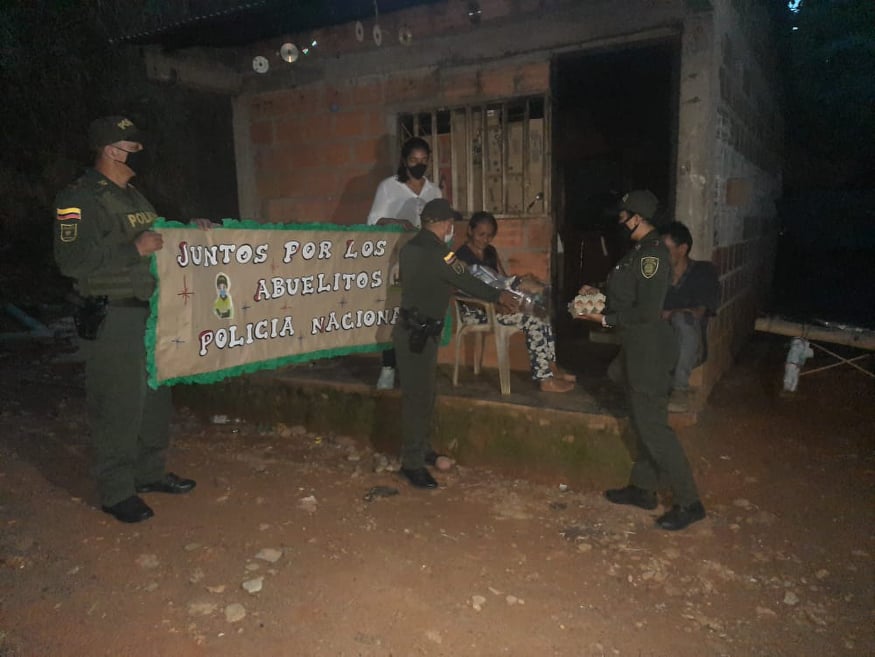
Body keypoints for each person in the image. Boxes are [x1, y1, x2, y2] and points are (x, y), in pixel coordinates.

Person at [54, 116, 197, 524]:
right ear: (110, 150)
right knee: (118, 402)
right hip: (113, 312)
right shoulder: (78, 198)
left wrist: (192, 233)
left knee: (154, 397)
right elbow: (70, 260)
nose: (138, 154)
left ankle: (149, 473)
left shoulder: (134, 197)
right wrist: (132, 249)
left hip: (149, 309)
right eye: (132, 148)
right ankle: (117, 491)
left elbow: (159, 238)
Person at [575, 190, 705, 531]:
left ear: (637, 218)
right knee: (643, 418)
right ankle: (643, 488)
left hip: (649, 349)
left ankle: (689, 502)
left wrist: (603, 319)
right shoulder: (638, 252)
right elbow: (624, 294)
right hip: (636, 347)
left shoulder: (653, 255)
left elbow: (647, 311)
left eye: (623, 215)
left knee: (654, 428)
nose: (619, 220)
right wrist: (596, 293)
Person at [394, 199, 517, 489]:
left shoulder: (411, 247)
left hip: (415, 331)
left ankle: (422, 449)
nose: (452, 227)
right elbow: (466, 280)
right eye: (450, 222)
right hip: (419, 334)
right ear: (443, 223)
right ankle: (411, 464)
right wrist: (497, 296)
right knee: (418, 398)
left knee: (424, 394)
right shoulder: (440, 253)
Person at [454, 211, 574, 393]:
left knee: (542, 311)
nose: (485, 240)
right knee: (532, 321)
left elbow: (502, 280)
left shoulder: (490, 252)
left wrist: (519, 287)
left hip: (499, 303)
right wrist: (495, 305)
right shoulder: (460, 257)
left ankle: (550, 366)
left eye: (489, 235)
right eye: (481, 234)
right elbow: (462, 290)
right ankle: (544, 379)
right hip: (478, 310)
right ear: (470, 231)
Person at [367, 137, 442, 390]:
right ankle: (388, 367)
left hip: (425, 260)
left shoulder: (434, 191)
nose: (419, 165)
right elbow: (373, 222)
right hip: (396, 259)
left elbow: (443, 228)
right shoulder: (389, 187)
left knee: (421, 315)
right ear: (404, 161)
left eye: (424, 160)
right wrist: (399, 223)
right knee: (395, 313)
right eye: (413, 160)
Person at [660, 221, 720, 412]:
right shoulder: (657, 275)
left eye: (665, 249)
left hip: (689, 348)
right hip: (661, 345)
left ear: (682, 249)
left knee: (683, 319)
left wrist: (671, 313)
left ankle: (680, 390)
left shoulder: (703, 272)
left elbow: (698, 312)